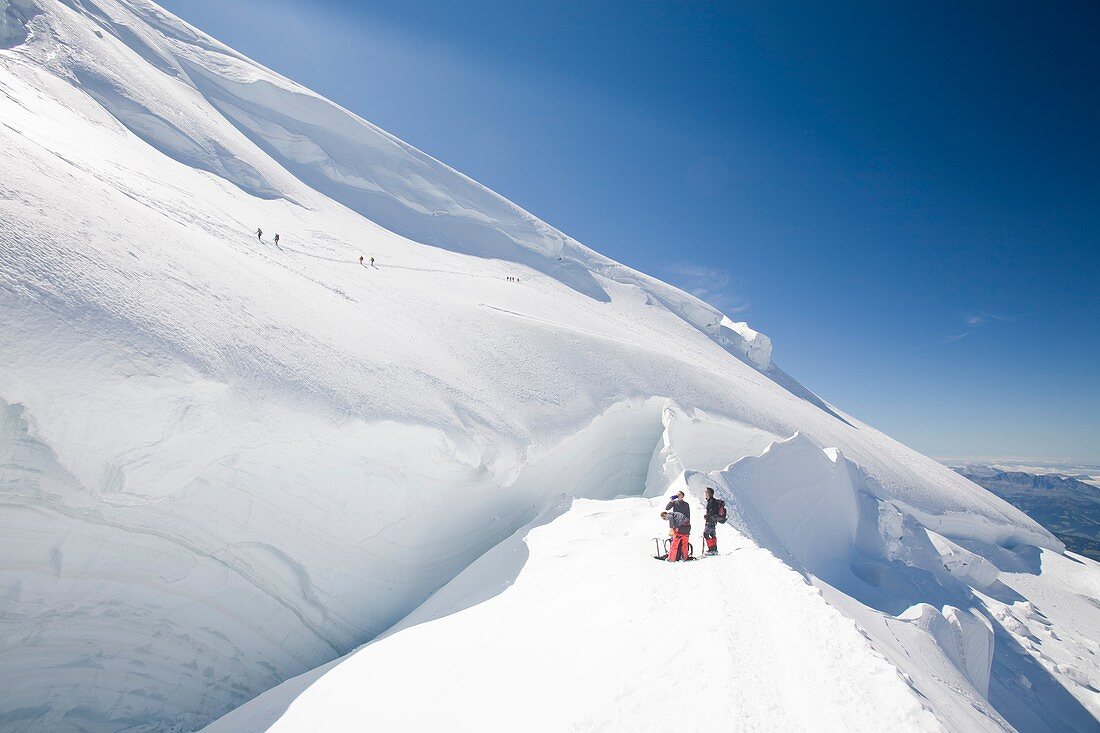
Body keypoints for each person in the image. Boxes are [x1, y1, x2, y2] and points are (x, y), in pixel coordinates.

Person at [703, 487, 720, 555]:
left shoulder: (711, 501)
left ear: (708, 493)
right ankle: (714, 549)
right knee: (712, 535)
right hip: (713, 521)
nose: (705, 493)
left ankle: (711, 549)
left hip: (710, 521)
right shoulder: (714, 501)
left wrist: (707, 516)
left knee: (706, 534)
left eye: (706, 492)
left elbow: (712, 511)